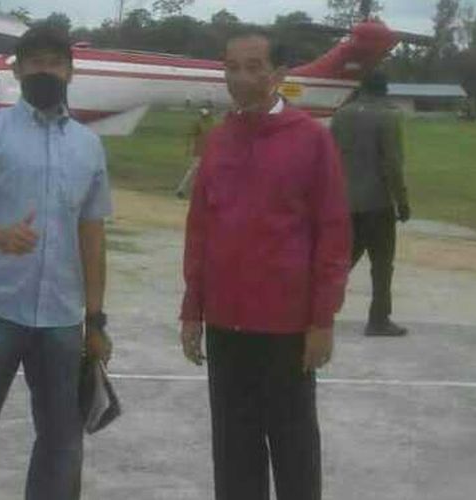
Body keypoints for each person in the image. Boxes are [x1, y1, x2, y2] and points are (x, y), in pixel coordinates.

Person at [0, 27, 113, 500]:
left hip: (61, 319)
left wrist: (95, 319)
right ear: (16, 69)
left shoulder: (88, 146)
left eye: (54, 61)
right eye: (33, 62)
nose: (44, 70)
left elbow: (92, 237)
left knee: (62, 442)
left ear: (70, 70)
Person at [180, 32, 351, 500]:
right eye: (231, 67)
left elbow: (333, 235)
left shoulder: (311, 140)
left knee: (294, 450)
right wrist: (192, 308)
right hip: (225, 324)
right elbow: (200, 230)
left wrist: (322, 319)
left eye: (254, 66)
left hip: (287, 329)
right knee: (234, 453)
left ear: (279, 74)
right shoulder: (217, 142)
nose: (240, 77)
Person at [331, 71, 410, 337]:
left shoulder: (342, 114)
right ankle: (378, 319)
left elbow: (329, 157)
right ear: (384, 90)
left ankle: (314, 312)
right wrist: (402, 201)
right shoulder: (388, 116)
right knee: (382, 265)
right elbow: (393, 165)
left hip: (344, 202)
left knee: (339, 263)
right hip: (377, 204)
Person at [176, 107, 215, 199]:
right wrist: (189, 148)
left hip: (208, 151)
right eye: (203, 114)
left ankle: (204, 193)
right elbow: (191, 136)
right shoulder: (198, 123)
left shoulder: (211, 123)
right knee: (193, 170)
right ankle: (181, 190)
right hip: (199, 151)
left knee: (208, 172)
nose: (204, 116)